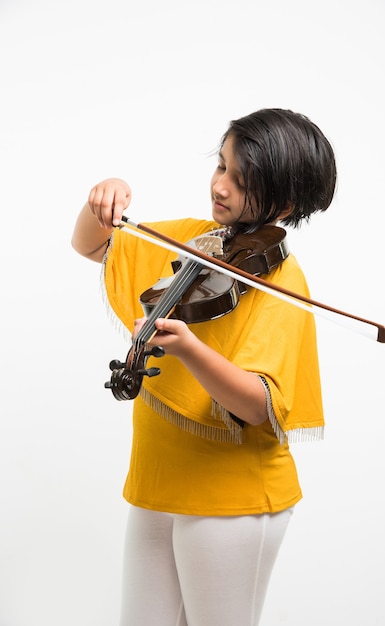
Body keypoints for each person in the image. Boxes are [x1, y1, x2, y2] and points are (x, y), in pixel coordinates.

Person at [71, 108, 337, 626]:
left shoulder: (280, 279)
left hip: (232, 499)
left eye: (241, 180)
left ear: (283, 202)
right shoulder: (194, 243)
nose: (221, 185)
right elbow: (92, 243)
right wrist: (101, 199)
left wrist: (190, 349)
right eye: (221, 165)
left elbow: (260, 404)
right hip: (157, 482)